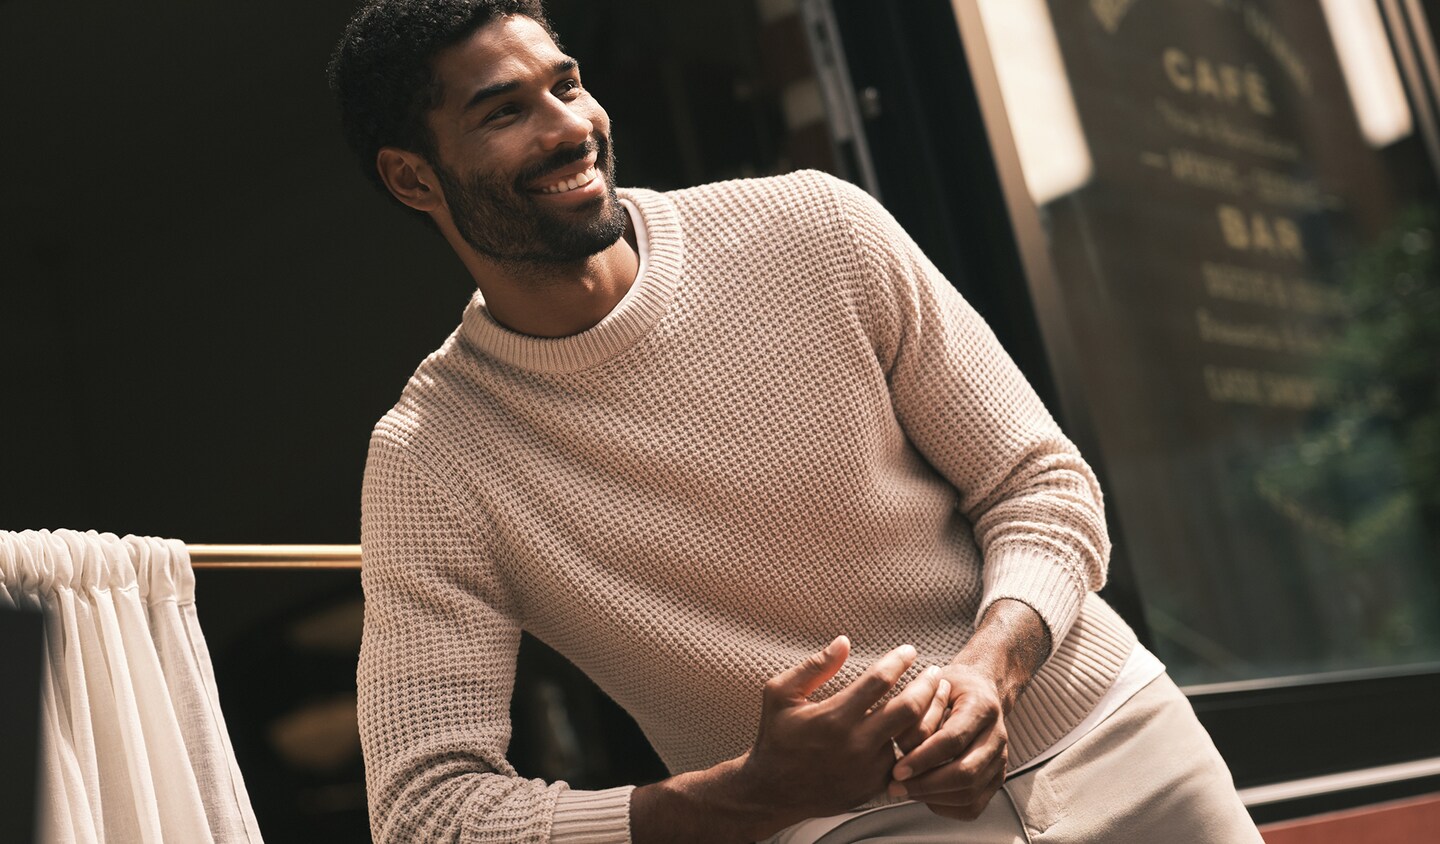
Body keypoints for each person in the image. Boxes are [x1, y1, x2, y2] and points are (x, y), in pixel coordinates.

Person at [328, 1, 1263, 841]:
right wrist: (748, 795)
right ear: (414, 179)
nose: (570, 128)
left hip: (1123, 744)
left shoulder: (816, 227)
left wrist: (989, 673)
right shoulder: (431, 459)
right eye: (504, 112)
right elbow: (424, 814)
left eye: (565, 85)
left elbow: (1041, 485)